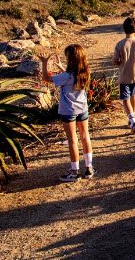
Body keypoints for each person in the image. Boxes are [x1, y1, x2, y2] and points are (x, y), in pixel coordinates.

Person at [38, 44, 94, 182]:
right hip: (82, 109)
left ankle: (74, 172)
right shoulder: (85, 72)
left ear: (71, 59)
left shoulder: (66, 76)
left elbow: (46, 78)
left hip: (69, 111)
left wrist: (44, 63)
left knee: (72, 141)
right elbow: (71, 78)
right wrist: (61, 67)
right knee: (85, 137)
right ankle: (89, 168)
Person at [113, 16, 135, 133]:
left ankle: (133, 121)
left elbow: (116, 61)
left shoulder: (120, 44)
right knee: (134, 95)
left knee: (125, 98)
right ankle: (133, 117)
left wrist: (120, 61)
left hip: (124, 75)